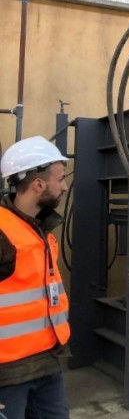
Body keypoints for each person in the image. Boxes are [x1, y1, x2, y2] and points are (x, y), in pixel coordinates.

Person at [0, 136, 71, 418]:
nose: (65, 186)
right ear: (38, 184)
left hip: (46, 364)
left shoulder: (39, 229)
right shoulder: (3, 232)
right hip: (7, 376)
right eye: (60, 179)